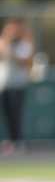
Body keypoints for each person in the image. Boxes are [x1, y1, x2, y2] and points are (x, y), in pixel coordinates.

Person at [0, 17, 34, 156]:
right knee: (6, 114)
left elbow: (24, 62)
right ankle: (9, 141)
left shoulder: (23, 45)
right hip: (4, 85)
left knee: (15, 115)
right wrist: (5, 42)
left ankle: (18, 142)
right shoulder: (3, 44)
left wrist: (12, 49)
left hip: (18, 85)